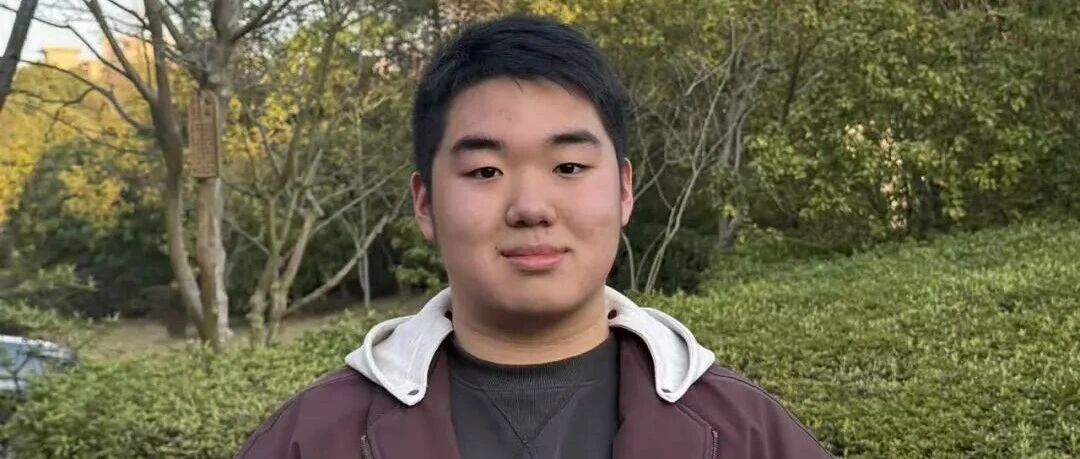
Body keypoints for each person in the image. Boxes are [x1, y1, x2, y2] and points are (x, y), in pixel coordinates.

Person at [235, 15, 832, 459]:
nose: (530, 207)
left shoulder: (744, 434)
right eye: (484, 171)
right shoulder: (315, 439)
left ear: (624, 191)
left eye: (569, 167)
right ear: (425, 204)